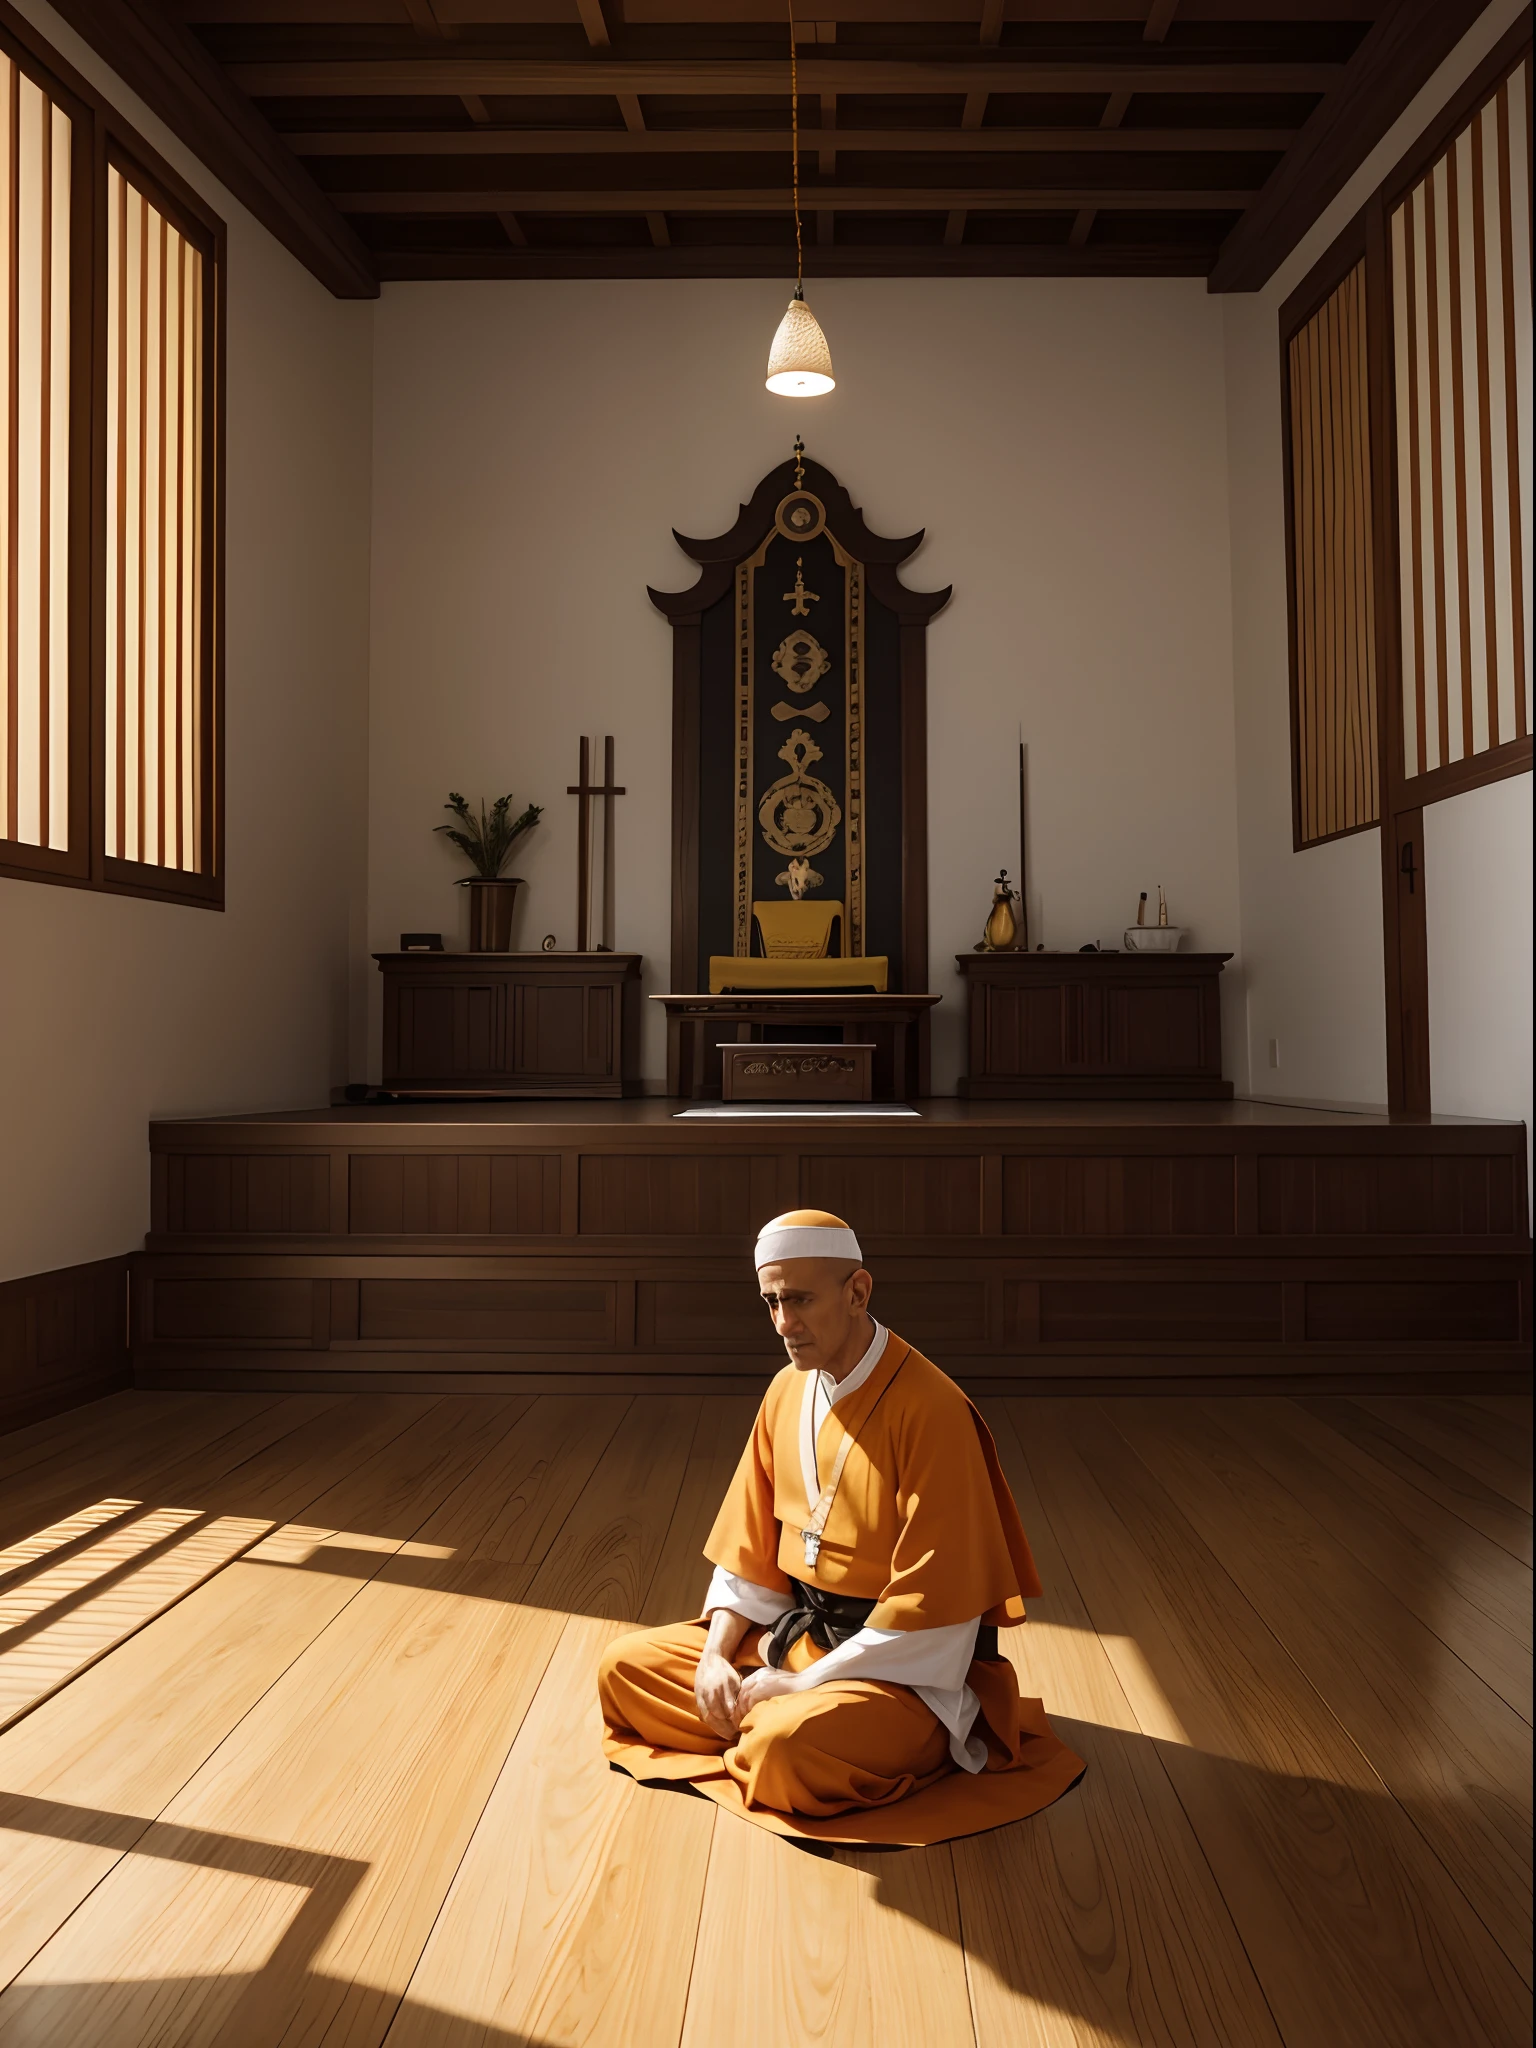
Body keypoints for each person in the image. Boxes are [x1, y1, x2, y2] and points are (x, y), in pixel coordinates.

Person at [599, 1208, 1085, 1845]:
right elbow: (751, 1550)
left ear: (858, 1292)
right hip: (793, 1638)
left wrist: (801, 1686)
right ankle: (769, 1722)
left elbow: (937, 1611)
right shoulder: (784, 1390)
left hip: (900, 1674)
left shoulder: (932, 1410)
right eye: (770, 1301)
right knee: (622, 1669)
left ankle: (891, 1741)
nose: (783, 1324)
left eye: (798, 1300)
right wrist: (718, 1656)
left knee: (781, 1749)